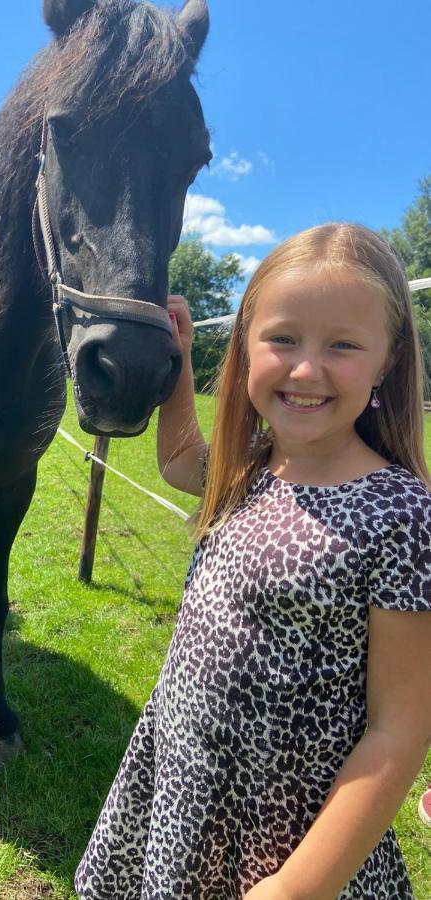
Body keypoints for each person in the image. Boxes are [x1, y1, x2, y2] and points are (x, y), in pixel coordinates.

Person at [74, 223, 431, 899]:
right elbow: (182, 460)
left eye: (343, 346)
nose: (305, 369)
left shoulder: (402, 514)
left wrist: (295, 886)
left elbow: (399, 729)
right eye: (282, 338)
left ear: (386, 361)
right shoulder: (253, 466)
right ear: (244, 344)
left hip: (288, 836)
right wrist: (181, 365)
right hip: (185, 781)